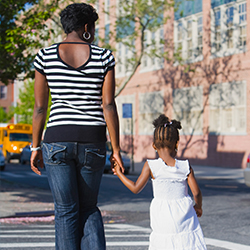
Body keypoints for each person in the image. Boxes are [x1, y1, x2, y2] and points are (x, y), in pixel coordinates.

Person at [30, 3, 124, 250]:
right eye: (93, 27)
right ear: (86, 27)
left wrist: (34, 147)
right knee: (88, 207)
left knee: (65, 210)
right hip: (93, 139)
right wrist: (116, 149)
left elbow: (40, 108)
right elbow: (109, 106)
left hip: (57, 139)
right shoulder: (104, 57)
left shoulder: (44, 56)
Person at [112, 114, 207, 250]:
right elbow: (196, 192)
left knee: (163, 242)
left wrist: (120, 174)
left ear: (153, 145)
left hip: (162, 216)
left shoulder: (151, 166)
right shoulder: (185, 166)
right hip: (184, 214)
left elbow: (135, 188)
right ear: (176, 143)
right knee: (186, 243)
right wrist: (198, 206)